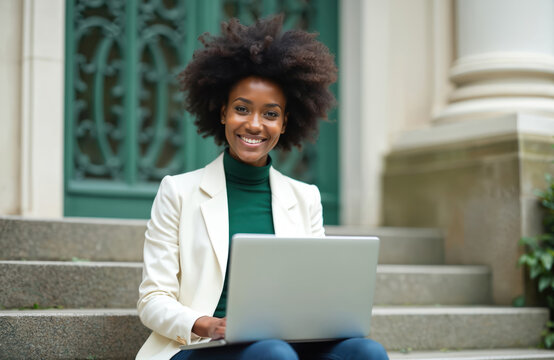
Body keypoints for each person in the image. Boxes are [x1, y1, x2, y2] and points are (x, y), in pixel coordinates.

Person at [136, 15, 389, 360]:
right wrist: (208, 324)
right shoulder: (178, 192)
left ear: (285, 123)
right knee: (273, 354)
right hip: (202, 346)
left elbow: (316, 291)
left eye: (270, 114)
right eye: (242, 109)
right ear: (223, 112)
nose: (254, 125)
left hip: (285, 344)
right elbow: (152, 300)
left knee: (365, 351)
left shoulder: (305, 198)